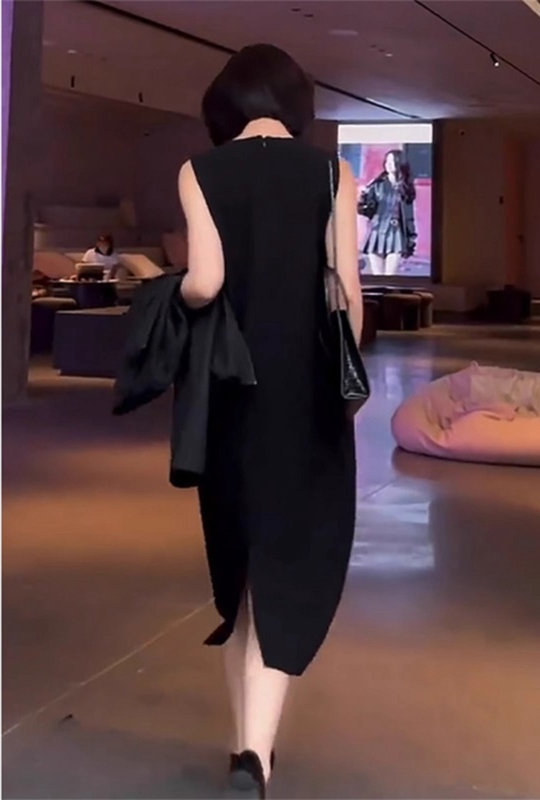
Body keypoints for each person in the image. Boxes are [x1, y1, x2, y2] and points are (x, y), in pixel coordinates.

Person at [177, 43, 362, 799]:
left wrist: (171, 294)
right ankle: (255, 755)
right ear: (294, 102)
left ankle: (247, 752)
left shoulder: (199, 171)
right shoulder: (332, 174)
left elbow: (205, 282)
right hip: (306, 398)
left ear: (227, 102)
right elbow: (347, 299)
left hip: (230, 393)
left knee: (241, 575)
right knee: (287, 568)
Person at [358, 150, 417, 276]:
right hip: (377, 231)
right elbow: (365, 211)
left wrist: (411, 239)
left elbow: (409, 216)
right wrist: (363, 198)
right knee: (378, 277)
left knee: (390, 277)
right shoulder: (376, 185)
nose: (388, 164)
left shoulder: (405, 187)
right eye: (387, 161)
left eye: (392, 161)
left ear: (400, 163)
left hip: (396, 233)